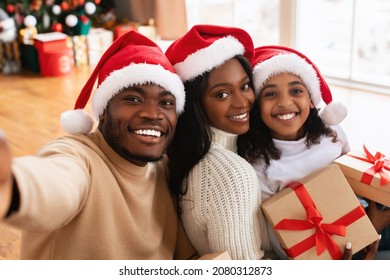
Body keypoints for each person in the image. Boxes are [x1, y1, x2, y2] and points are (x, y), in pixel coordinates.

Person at [0, 30, 197, 260]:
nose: (153, 114)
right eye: (133, 99)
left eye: (165, 102)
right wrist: (11, 186)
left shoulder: (164, 170)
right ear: (102, 111)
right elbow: (57, 182)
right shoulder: (78, 158)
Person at [238, 45, 383, 259]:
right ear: (257, 106)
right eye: (270, 94)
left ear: (311, 100)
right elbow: (281, 239)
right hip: (323, 252)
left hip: (365, 218)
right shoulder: (259, 168)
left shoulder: (333, 134)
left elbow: (354, 185)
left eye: (296, 91)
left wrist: (374, 225)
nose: (285, 102)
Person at [165, 24, 272, 260]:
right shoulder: (229, 174)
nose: (242, 102)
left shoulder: (205, 151)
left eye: (244, 86)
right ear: (195, 104)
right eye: (222, 94)